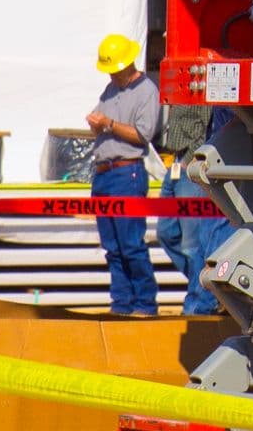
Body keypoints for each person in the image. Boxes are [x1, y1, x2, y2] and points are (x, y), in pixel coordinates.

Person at [86, 34, 161, 316]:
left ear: (127, 64)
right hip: (105, 174)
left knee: (130, 245)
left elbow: (143, 134)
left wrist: (108, 124)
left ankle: (144, 304)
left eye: (114, 70)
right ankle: (121, 304)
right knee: (113, 247)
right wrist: (98, 123)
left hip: (127, 172)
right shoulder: (110, 89)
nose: (112, 75)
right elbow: (102, 120)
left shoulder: (147, 91)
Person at [155, 95, 216, 316]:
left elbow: (205, 124)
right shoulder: (181, 87)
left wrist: (190, 159)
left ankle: (199, 302)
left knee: (192, 244)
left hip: (189, 166)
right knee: (166, 232)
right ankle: (202, 284)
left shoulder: (201, 87)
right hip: (176, 163)